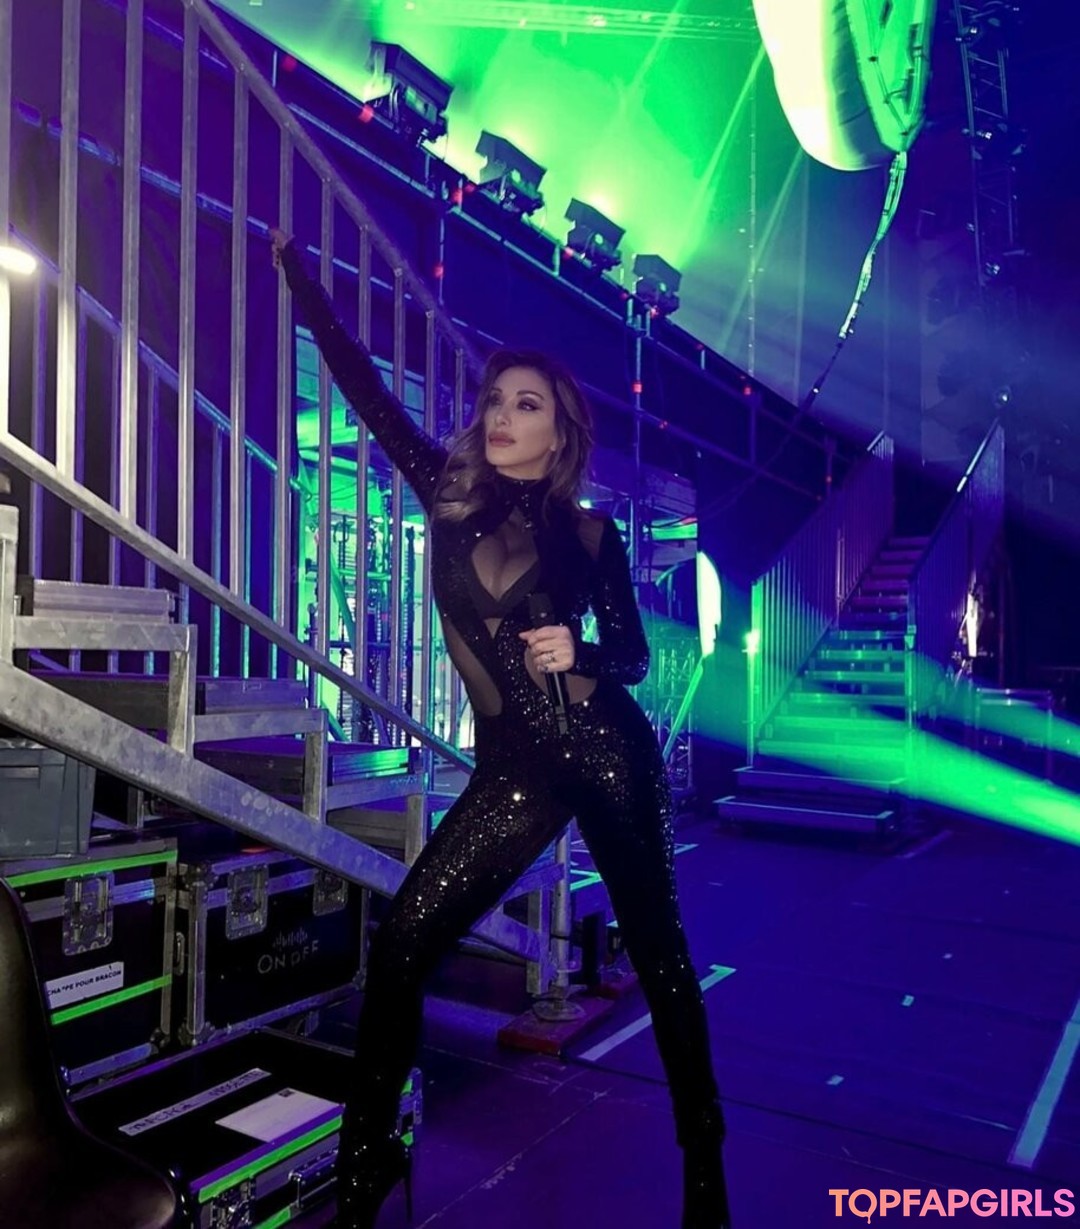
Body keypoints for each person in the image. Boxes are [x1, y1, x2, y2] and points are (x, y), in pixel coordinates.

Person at [271, 230, 731, 1229]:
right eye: (495, 400)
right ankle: (364, 1180)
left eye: (527, 404)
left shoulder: (593, 533)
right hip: (514, 769)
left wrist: (583, 648)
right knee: (403, 943)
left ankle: (706, 1172)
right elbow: (362, 388)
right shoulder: (445, 492)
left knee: (662, 958)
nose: (502, 416)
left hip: (607, 752)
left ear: (560, 434)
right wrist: (301, 277)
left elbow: (635, 656)